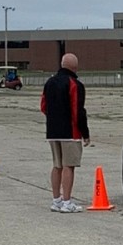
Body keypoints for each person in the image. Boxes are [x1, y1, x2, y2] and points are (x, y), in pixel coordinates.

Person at [40, 53, 90, 212]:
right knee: (69, 166)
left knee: (57, 165)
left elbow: (43, 106)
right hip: (70, 131)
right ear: (75, 67)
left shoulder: (50, 82)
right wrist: (85, 132)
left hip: (53, 131)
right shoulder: (75, 84)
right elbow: (77, 111)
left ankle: (56, 200)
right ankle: (67, 202)